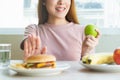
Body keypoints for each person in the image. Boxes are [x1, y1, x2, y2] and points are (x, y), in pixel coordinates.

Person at [20, 0, 100, 61]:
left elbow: (87, 72)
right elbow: (28, 49)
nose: (61, 2)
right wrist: (32, 60)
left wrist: (85, 53)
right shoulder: (34, 30)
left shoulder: (83, 31)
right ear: (44, 1)